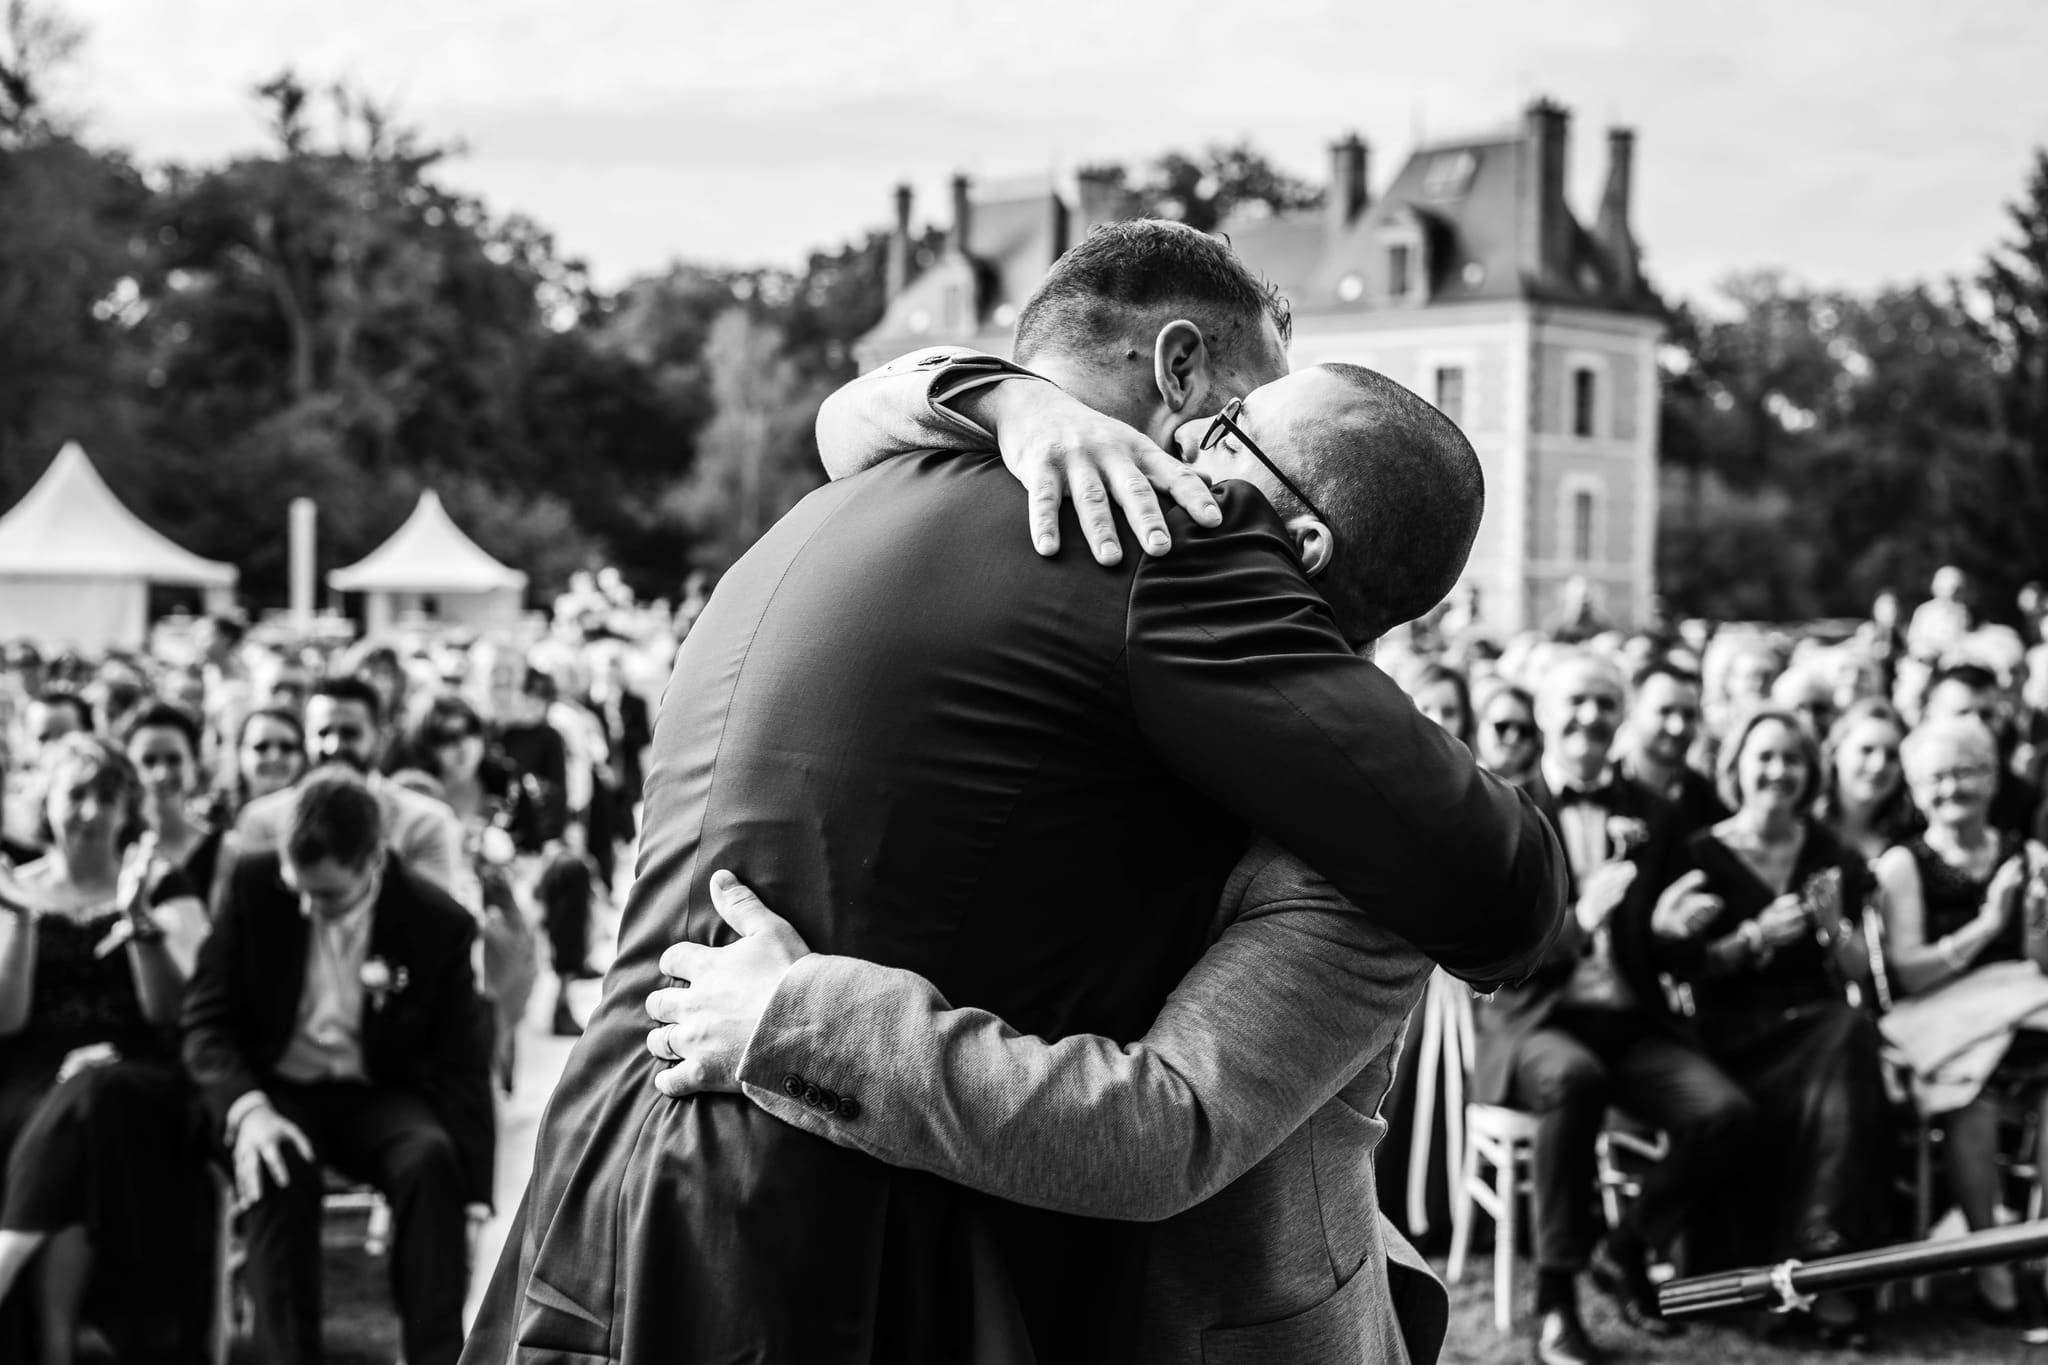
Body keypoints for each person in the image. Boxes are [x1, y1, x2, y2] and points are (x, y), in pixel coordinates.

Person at [464, 220, 1564, 1365]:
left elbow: (1167, 1117)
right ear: (1177, 366)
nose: (1197, 453)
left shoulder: (830, 506)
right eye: (1226, 413)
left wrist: (988, 396)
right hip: (810, 1244)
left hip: (591, 1186)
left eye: (1229, 443)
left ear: (1299, 544)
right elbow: (1505, 893)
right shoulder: (1155, 553)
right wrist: (1001, 397)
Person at [1473, 653, 1750, 1364]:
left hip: (1630, 1023)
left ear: (1621, 715)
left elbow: (1667, 955)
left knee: (1726, 1114)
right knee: (1575, 1078)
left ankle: (1626, 1246)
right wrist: (1579, 921)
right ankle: (1557, 1304)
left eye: (1604, 702)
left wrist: (1674, 933)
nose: (1591, 716)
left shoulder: (1655, 815)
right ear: (1545, 712)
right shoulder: (1506, 804)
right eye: (1577, 702)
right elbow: (1492, 952)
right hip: (1542, 1020)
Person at [182, 768, 494, 1365]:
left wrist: (475, 1198)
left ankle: (438, 1355)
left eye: (325, 896)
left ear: (373, 861)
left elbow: (463, 1064)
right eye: (295, 886)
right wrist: (247, 1112)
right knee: (277, 1168)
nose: (304, 905)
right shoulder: (253, 886)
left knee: (430, 1162)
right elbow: (204, 1021)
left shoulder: (438, 923)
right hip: (276, 1090)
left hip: (378, 1093)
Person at [1649, 707, 1890, 1344]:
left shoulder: (1830, 852)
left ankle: (1823, 1243)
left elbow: (1859, 974)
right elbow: (1683, 971)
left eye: (1791, 759)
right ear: (1737, 768)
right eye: (1764, 757)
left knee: (1848, 1031)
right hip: (1734, 1041)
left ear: (1811, 773)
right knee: (1848, 1039)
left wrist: (1834, 924)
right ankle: (1827, 1264)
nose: (1778, 771)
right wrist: (1752, 939)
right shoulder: (1701, 852)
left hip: (1821, 1034)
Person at [0, 736, 211, 1363]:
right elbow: (7, 1022)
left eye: (106, 798)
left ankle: (6, 1263)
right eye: (76, 796)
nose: (90, 813)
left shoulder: (163, 886)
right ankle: (57, 1348)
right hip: (31, 1074)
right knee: (75, 1125)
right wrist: (21, 921)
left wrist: (139, 919)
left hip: (136, 1069)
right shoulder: (18, 887)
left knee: (97, 1093)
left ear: (129, 810)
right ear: (48, 804)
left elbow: (174, 1012)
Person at [1875, 715, 2048, 1331]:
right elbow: (1911, 973)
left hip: (2024, 1023)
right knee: (1969, 1104)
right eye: (1937, 777)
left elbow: (2042, 961)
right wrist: (1987, 921)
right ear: (1916, 789)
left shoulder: (2027, 855)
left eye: (1968, 772)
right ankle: (1992, 1267)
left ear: (1995, 778)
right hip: (1943, 1030)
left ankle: (2036, 1249)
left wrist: (2034, 923)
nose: (1953, 789)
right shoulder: (1903, 864)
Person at [220, 676, 465, 902]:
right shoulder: (263, 820)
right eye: (323, 732)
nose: (334, 746)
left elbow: (437, 924)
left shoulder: (425, 823)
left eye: (350, 733)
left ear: (381, 738)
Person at [1921, 663, 2048, 841]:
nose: (1976, 724)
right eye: (1962, 713)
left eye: (1986, 714)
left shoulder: (2024, 798)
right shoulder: (1897, 785)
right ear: (1930, 715)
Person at [123, 702, 226, 902]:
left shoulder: (226, 850)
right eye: (149, 761)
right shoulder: (115, 847)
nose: (162, 774)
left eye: (173, 760)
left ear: (194, 763)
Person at [1617, 661, 1727, 835]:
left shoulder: (1710, 800)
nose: (1678, 727)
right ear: (1632, 711)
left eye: (1689, 715)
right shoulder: (1603, 791)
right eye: (1665, 711)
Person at [1818, 699, 1915, 863]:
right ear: (1835, 752)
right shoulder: (1802, 830)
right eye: (1867, 750)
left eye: (1892, 756)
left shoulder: (1909, 842)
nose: (1879, 765)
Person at [1475, 679, 1541, 790]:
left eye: (1524, 731)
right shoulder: (1457, 783)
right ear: (1479, 725)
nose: (1512, 738)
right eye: (1502, 727)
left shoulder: (1548, 797)